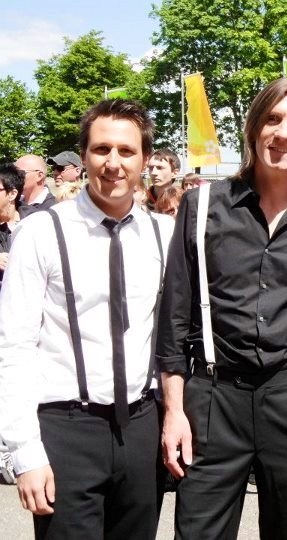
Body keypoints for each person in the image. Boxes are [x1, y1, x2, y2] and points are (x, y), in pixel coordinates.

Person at [156, 77, 287, 540]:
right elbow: (174, 320)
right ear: (253, 128)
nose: (284, 133)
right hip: (211, 399)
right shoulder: (200, 206)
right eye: (273, 119)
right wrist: (174, 410)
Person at [0, 99, 175, 539]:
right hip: (65, 429)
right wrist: (25, 452)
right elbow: (13, 344)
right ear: (85, 155)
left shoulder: (164, 234)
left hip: (141, 429)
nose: (113, 163)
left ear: (143, 160)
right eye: (101, 150)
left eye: (126, 151)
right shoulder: (41, 232)